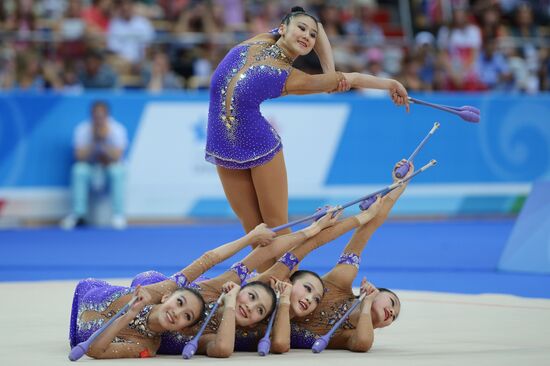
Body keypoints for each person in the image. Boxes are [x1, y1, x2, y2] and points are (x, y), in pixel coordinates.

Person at [205, 7, 409, 271]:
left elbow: (351, 78)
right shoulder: (259, 40)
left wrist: (390, 84)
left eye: (312, 35)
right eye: (301, 28)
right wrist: (327, 64)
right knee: (253, 231)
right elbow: (319, 26)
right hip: (224, 146)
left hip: (260, 147)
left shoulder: (288, 77)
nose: (308, 36)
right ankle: (264, 294)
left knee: (276, 229)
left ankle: (281, 287)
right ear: (282, 28)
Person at [70, 223, 276, 359]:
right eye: (179, 303)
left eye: (186, 316)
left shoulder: (148, 345)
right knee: (159, 281)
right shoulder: (160, 291)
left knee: (255, 282)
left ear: (183, 329)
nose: (177, 313)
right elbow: (208, 259)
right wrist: (250, 238)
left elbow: (96, 350)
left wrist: (128, 316)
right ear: (168, 297)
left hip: (81, 333)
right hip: (89, 291)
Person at [268, 159, 411, 353]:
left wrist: (367, 305)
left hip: (254, 329)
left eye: (394, 317)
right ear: (375, 290)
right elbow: (365, 231)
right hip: (261, 298)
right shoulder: (342, 280)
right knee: (271, 231)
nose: (392, 313)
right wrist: (399, 185)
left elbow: (362, 344)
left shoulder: (348, 335)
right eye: (392, 303)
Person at [60, 101, 127, 230]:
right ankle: (78, 214)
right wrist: (94, 140)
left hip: (109, 167)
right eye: (96, 117)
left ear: (107, 116)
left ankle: (118, 215)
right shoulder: (82, 129)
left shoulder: (117, 129)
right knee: (78, 170)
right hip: (90, 167)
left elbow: (117, 157)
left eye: (101, 117)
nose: (98, 120)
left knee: (117, 172)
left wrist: (103, 142)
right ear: (91, 116)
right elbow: (79, 157)